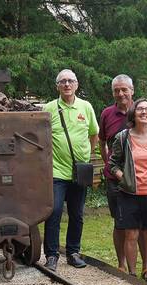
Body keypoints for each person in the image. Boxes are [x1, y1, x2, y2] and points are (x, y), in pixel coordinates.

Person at [42, 69, 99, 271]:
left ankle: (73, 252)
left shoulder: (86, 107)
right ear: (57, 86)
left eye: (70, 81)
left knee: (77, 214)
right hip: (56, 171)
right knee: (54, 212)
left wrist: (86, 156)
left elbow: (94, 134)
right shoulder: (49, 108)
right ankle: (51, 255)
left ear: (76, 84)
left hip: (79, 172)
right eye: (63, 81)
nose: (67, 84)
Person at [109, 98, 147, 284]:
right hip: (129, 194)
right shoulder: (123, 137)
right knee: (131, 234)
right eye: (140, 109)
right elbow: (112, 164)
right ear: (133, 113)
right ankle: (132, 274)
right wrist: (124, 178)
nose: (144, 112)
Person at [99, 74, 147, 275]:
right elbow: (101, 141)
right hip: (115, 181)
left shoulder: (143, 112)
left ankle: (146, 266)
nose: (121, 94)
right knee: (120, 223)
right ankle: (121, 264)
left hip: (142, 179)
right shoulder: (107, 114)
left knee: (142, 224)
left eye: (124, 89)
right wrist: (108, 164)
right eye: (117, 90)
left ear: (132, 90)